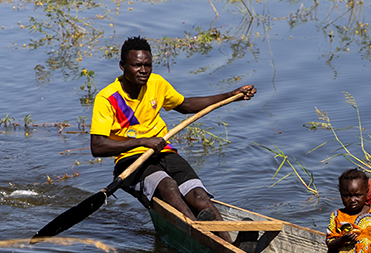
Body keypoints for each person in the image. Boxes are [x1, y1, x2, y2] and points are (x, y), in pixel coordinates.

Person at [90, 36, 255, 221]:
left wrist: (229, 95)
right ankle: (197, 231)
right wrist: (143, 141)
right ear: (123, 66)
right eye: (137, 65)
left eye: (148, 65)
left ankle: (227, 238)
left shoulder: (157, 83)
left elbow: (184, 105)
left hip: (164, 153)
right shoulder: (107, 98)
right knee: (168, 187)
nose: (143, 71)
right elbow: (97, 147)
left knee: (199, 196)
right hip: (131, 161)